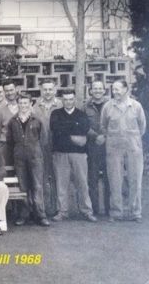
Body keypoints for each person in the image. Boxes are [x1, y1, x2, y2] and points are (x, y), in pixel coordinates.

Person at [101, 80, 146, 223]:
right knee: (115, 180)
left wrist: (132, 139)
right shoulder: (108, 106)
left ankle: (135, 212)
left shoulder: (136, 106)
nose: (115, 92)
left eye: (118, 89)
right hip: (114, 148)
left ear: (126, 89)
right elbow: (103, 126)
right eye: (113, 89)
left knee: (135, 180)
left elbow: (142, 127)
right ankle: (116, 212)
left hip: (133, 148)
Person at [50, 90, 97, 222]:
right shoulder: (56, 113)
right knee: (61, 183)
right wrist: (74, 128)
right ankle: (62, 211)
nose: (68, 102)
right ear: (61, 100)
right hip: (60, 153)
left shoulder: (81, 114)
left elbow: (84, 129)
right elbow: (55, 129)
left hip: (79, 154)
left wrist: (66, 130)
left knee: (82, 183)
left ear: (74, 99)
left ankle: (87, 211)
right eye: (65, 99)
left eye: (71, 99)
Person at [7, 94, 50, 227]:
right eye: (21, 103)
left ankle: (40, 215)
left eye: (26, 103)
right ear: (17, 104)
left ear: (31, 104)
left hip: (35, 156)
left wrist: (36, 150)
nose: (23, 106)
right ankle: (24, 214)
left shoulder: (37, 119)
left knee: (37, 185)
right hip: (19, 157)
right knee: (23, 186)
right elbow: (10, 140)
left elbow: (44, 139)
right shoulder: (13, 120)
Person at [32, 79, 62, 217]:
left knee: (57, 177)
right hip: (40, 147)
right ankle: (42, 209)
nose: (48, 92)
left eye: (50, 89)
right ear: (41, 90)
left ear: (55, 90)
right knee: (42, 178)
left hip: (57, 147)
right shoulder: (34, 107)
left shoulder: (61, 104)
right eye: (45, 89)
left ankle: (57, 208)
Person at [84, 80, 110, 216]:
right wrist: (96, 137)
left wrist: (104, 136)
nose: (98, 91)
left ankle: (108, 209)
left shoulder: (111, 104)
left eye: (100, 88)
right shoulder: (85, 106)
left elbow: (113, 123)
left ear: (104, 90)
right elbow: (83, 125)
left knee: (109, 178)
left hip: (109, 147)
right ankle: (94, 209)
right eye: (95, 88)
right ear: (91, 90)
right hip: (92, 147)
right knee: (92, 179)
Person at [0, 80, 19, 165]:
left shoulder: (23, 106)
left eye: (11, 90)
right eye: (6, 91)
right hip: (5, 146)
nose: (9, 93)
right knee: (5, 172)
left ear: (16, 89)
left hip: (20, 146)